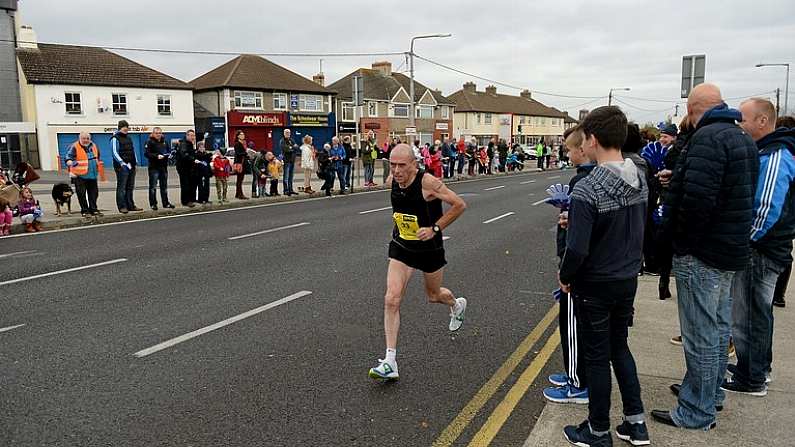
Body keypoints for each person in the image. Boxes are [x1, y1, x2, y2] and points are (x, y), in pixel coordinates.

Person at [652, 83, 759, 430]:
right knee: (716, 329)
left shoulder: (707, 139)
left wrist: (681, 244)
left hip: (703, 253)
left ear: (693, 109)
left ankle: (696, 410)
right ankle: (709, 395)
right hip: (730, 250)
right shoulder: (741, 137)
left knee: (700, 333)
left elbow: (697, 204)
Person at [558, 106, 649, 446]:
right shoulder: (640, 176)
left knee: (596, 357)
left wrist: (566, 275)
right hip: (627, 278)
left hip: (595, 283)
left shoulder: (587, 188)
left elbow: (578, 250)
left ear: (592, 140)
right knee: (619, 349)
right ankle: (635, 423)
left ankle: (597, 431)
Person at [368, 144, 468, 381]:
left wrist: (435, 228)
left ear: (415, 164)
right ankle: (390, 361)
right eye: (392, 165)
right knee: (391, 298)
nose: (397, 170)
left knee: (433, 296)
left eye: (402, 165)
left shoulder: (428, 183)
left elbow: (459, 205)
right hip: (402, 245)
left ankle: (455, 304)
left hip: (428, 247)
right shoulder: (394, 177)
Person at [722, 99, 795, 397]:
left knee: (749, 315)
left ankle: (751, 377)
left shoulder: (777, 154)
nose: (740, 124)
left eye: (744, 119)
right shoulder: (770, 150)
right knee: (756, 313)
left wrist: (745, 240)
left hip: (761, 249)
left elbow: (766, 207)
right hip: (765, 247)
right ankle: (756, 368)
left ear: (762, 121)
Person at [543, 126, 595, 406]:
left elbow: (577, 233)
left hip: (577, 268)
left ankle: (577, 384)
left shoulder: (582, 182)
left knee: (572, 325)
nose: (567, 153)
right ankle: (573, 373)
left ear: (581, 149)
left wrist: (565, 267)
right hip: (592, 267)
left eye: (568, 149)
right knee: (575, 325)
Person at [772, 115, 795, 308]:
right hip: (790, 212)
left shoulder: (779, 151)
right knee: (786, 253)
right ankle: (779, 294)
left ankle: (775, 293)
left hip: (781, 206)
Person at [65, 132, 102, 217]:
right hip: (80, 175)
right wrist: (71, 162)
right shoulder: (74, 146)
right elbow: (68, 158)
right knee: (81, 194)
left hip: (92, 174)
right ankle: (85, 211)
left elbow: (97, 157)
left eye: (87, 138)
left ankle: (93, 209)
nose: (86, 140)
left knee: (94, 193)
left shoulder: (94, 146)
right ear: (80, 138)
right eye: (84, 138)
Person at [110, 120, 141, 214]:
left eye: (127, 127)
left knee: (130, 187)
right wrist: (121, 162)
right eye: (124, 127)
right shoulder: (115, 138)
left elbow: (132, 150)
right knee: (122, 187)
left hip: (131, 165)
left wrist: (135, 161)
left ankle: (131, 205)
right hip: (121, 167)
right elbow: (114, 152)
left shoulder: (129, 138)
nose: (126, 129)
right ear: (120, 127)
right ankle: (122, 206)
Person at [144, 127, 174, 211]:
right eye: (156, 133)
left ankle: (166, 203)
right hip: (154, 167)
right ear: (153, 133)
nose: (158, 135)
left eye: (160, 133)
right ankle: (153, 204)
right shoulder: (149, 142)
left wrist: (169, 155)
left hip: (163, 167)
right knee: (153, 187)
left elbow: (168, 151)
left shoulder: (165, 141)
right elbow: (146, 154)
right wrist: (156, 156)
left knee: (164, 187)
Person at [176, 129, 199, 207]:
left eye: (194, 135)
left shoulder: (190, 144)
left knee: (191, 184)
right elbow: (184, 155)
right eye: (191, 135)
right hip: (183, 168)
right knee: (185, 184)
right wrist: (193, 159)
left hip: (189, 168)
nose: (193, 137)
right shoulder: (183, 144)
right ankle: (185, 201)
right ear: (187, 136)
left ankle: (191, 199)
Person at [280, 129, 298, 196]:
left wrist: (291, 148)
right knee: (286, 176)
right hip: (286, 160)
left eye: (289, 133)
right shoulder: (282, 141)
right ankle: (286, 190)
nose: (288, 134)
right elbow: (285, 149)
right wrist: (292, 148)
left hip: (292, 160)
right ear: (284, 133)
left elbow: (297, 147)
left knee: (291, 176)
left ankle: (291, 189)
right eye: (286, 133)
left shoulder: (292, 140)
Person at [232, 130, 249, 200]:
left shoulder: (243, 143)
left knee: (240, 179)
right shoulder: (237, 144)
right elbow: (238, 153)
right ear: (238, 136)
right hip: (239, 163)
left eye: (243, 134)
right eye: (241, 134)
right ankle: (240, 194)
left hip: (243, 162)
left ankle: (237, 193)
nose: (243, 135)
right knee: (239, 179)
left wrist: (246, 155)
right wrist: (245, 153)